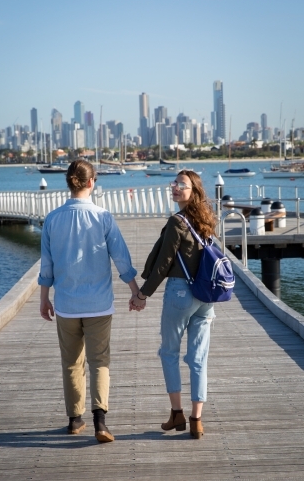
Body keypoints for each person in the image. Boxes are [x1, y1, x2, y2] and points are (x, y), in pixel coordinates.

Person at [39, 159, 142, 443]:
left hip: (66, 305)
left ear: (69, 182)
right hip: (99, 304)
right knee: (100, 361)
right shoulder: (103, 217)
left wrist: (44, 299)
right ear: (91, 182)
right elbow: (121, 258)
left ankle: (74, 420)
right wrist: (135, 291)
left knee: (71, 362)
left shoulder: (52, 219)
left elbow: (46, 266)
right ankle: (100, 422)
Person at [130, 170, 217, 439]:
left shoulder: (177, 222)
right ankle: (197, 420)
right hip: (206, 297)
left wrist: (142, 295)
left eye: (183, 185)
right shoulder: (206, 220)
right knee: (198, 358)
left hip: (180, 293)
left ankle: (177, 412)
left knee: (169, 352)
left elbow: (163, 264)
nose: (176, 188)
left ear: (194, 191)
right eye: (175, 183)